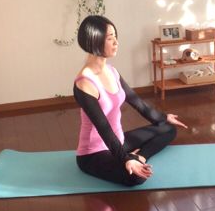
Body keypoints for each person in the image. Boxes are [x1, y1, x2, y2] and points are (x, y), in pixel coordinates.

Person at [73, 15, 187, 186]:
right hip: (93, 153)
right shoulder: (85, 82)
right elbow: (104, 129)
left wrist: (163, 117)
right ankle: (133, 159)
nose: (116, 42)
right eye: (110, 38)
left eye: (115, 36)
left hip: (118, 141)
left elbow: (137, 102)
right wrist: (125, 159)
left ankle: (140, 156)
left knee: (168, 128)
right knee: (137, 177)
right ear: (94, 41)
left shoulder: (112, 71)